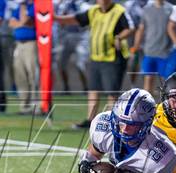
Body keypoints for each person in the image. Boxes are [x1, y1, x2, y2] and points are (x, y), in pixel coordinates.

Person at [55, 0, 135, 129]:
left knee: (112, 91)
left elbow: (130, 28)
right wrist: (56, 18)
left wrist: (119, 38)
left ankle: (111, 122)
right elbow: (76, 19)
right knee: (93, 89)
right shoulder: (94, 10)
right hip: (96, 56)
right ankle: (91, 120)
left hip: (113, 57)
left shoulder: (119, 11)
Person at [131, 0, 172, 95]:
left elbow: (174, 28)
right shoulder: (146, 9)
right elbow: (141, 29)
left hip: (165, 52)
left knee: (167, 82)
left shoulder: (171, 9)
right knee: (148, 79)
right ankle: (148, 106)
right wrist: (136, 46)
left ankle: (167, 107)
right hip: (149, 51)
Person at [9, 0, 37, 115]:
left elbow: (26, 20)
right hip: (19, 44)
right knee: (20, 76)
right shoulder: (19, 7)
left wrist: (21, 21)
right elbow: (11, 23)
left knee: (33, 75)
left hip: (31, 43)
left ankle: (37, 106)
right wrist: (22, 23)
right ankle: (24, 106)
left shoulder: (34, 6)